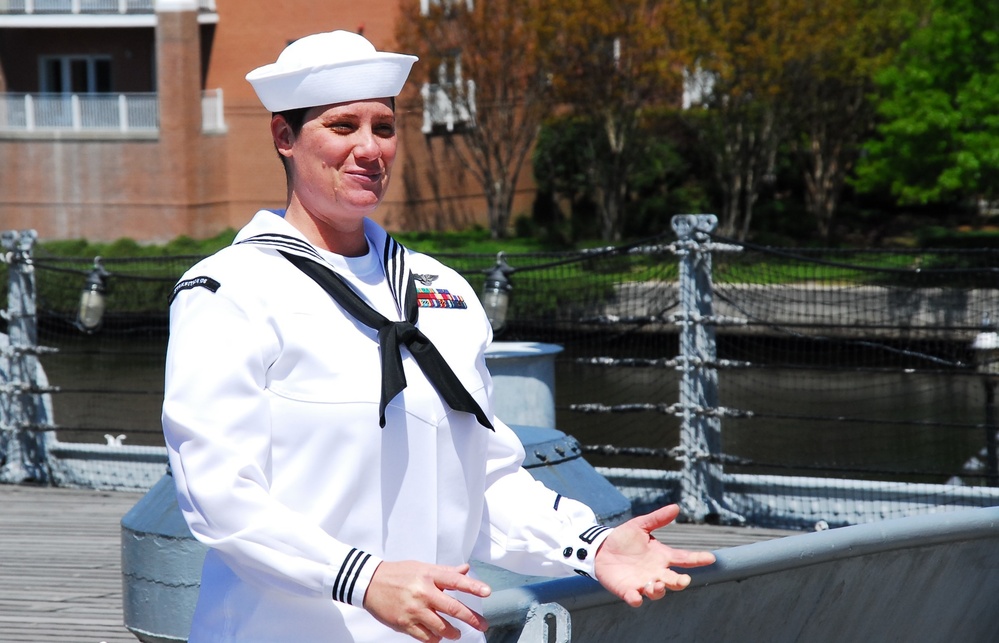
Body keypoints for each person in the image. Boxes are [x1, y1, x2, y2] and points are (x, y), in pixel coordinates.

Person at [162, 30, 715, 643]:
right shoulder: (230, 292)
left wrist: (592, 546)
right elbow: (220, 496)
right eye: (343, 127)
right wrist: (362, 578)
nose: (370, 149)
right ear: (284, 138)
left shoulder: (442, 292)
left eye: (384, 127)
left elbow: (485, 477)